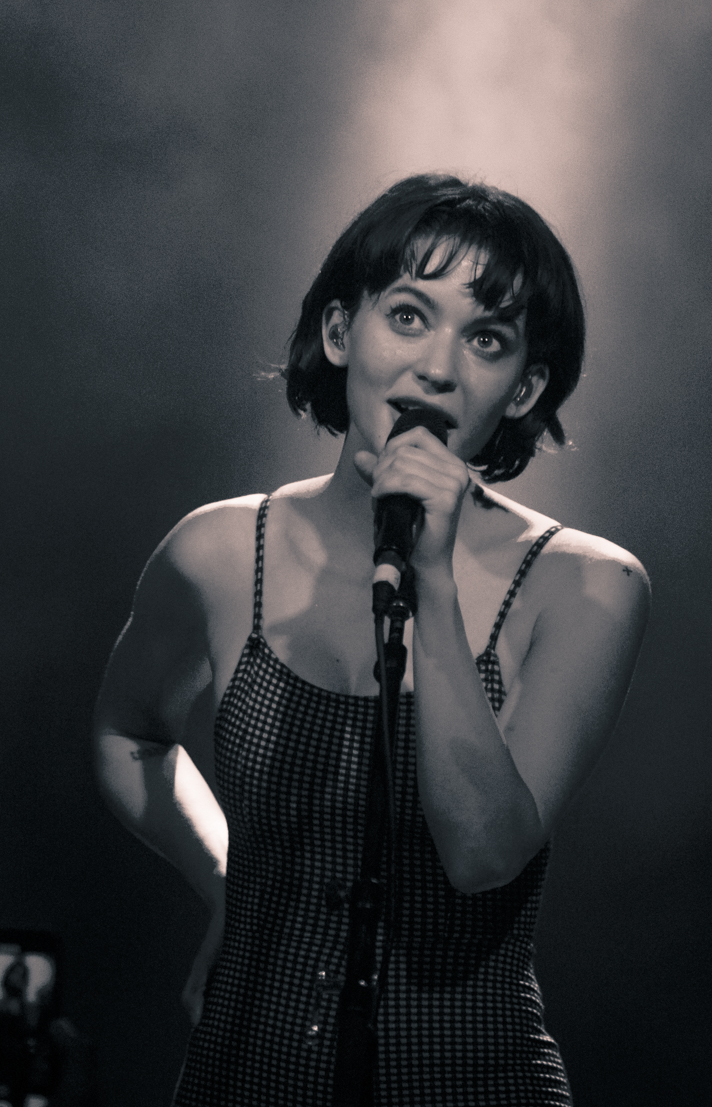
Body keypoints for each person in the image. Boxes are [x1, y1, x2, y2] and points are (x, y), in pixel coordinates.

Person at [93, 173, 650, 1106]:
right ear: (339, 332)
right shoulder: (219, 550)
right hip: (243, 1072)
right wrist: (225, 878)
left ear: (524, 389)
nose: (437, 368)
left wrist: (434, 579)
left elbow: (483, 854)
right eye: (408, 316)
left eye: (486, 339)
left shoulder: (587, 585)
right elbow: (127, 732)